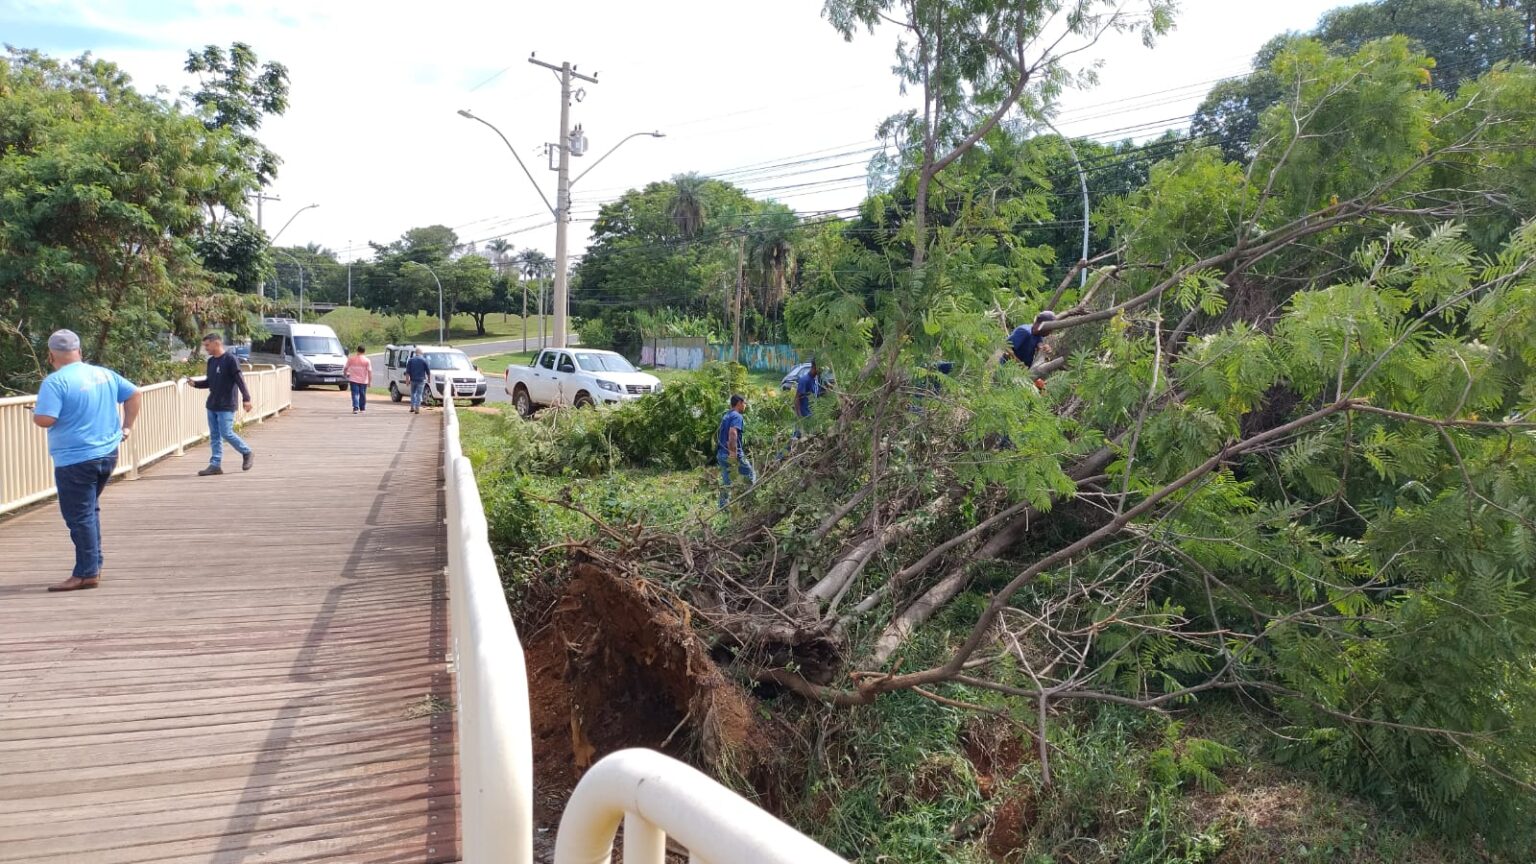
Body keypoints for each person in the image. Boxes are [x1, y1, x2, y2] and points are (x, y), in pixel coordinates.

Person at [30, 329, 141, 592]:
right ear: (79, 351)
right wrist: (127, 428)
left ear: (51, 355)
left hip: (75, 459)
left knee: (79, 517)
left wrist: (36, 413)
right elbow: (134, 393)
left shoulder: (55, 382)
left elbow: (46, 419)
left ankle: (86, 572)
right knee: (89, 512)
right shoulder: (103, 374)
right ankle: (93, 564)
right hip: (107, 453)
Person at [187, 333, 254, 476]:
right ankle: (215, 464)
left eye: (207, 345)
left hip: (226, 404)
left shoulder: (230, 359)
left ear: (216, 343)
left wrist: (246, 398)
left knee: (226, 432)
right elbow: (210, 382)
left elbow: (239, 380)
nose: (206, 349)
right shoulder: (211, 361)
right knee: (215, 436)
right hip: (212, 403)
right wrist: (195, 384)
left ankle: (246, 451)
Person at [716, 394, 756, 508]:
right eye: (744, 403)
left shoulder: (727, 415)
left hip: (721, 454)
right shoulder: (737, 416)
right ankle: (749, 502)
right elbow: (733, 432)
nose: (745, 406)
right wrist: (733, 452)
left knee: (727, 483)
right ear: (739, 403)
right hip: (732, 454)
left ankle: (723, 507)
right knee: (750, 475)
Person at [793, 359, 823, 439]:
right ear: (814, 367)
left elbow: (816, 396)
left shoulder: (815, 381)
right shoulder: (804, 380)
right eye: (820, 368)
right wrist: (800, 418)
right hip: (804, 417)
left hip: (811, 418)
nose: (822, 370)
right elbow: (796, 399)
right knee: (796, 442)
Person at [344, 345, 372, 414]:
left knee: (355, 394)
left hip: (353, 380)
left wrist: (345, 374)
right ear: (364, 351)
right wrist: (370, 381)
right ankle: (362, 408)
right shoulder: (367, 360)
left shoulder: (351, 359)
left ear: (357, 350)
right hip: (363, 380)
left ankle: (355, 408)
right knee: (362, 394)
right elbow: (370, 371)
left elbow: (345, 368)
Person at [405, 347, 430, 414]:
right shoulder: (424, 360)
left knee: (413, 393)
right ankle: (417, 408)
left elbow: (407, 372)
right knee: (419, 394)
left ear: (415, 353)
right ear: (421, 353)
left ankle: (412, 407)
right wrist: (429, 379)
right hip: (421, 380)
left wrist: (407, 380)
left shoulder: (410, 360)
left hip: (413, 380)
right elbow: (428, 371)